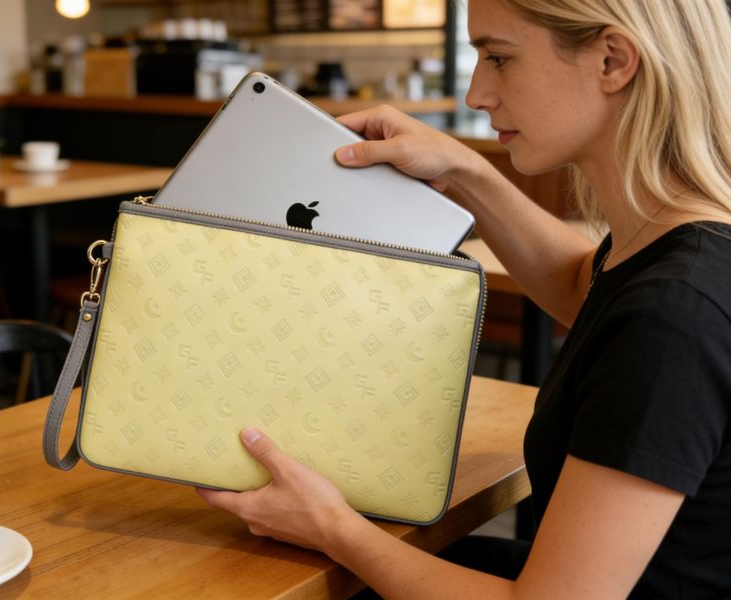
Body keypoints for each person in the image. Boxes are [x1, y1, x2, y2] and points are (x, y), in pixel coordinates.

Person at [196, 0, 731, 597]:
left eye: (499, 58)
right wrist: (463, 172)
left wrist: (329, 526)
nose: (477, 93)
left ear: (613, 60)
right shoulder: (683, 243)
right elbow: (588, 289)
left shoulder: (675, 313)